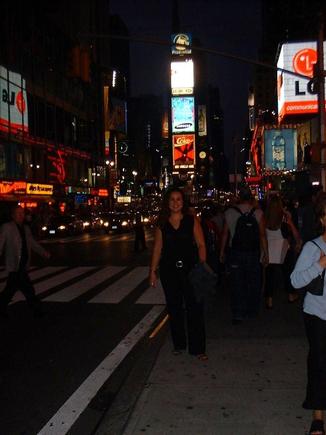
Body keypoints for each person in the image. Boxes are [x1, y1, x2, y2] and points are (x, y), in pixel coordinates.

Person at [149, 187, 207, 360]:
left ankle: (198, 349)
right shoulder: (162, 223)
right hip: (169, 271)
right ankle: (179, 344)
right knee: (174, 309)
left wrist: (201, 266)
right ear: (168, 202)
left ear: (183, 202)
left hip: (190, 270)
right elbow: (158, 248)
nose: (175, 203)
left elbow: (201, 245)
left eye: (179, 199)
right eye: (172, 199)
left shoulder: (191, 220)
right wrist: (152, 271)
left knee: (194, 309)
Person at [291, 197, 326, 435]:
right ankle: (318, 419)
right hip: (318, 314)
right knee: (319, 364)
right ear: (323, 219)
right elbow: (295, 281)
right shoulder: (313, 248)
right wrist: (320, 265)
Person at [219, 185, 268, 324]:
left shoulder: (229, 212)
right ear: (251, 197)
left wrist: (222, 252)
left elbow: (224, 234)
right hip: (253, 252)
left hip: (235, 252)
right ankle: (252, 311)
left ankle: (238, 313)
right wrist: (266, 254)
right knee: (253, 282)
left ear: (239, 197)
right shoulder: (258, 213)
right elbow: (263, 235)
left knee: (237, 283)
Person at [0, 205, 50, 318]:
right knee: (28, 290)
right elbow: (0, 243)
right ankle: (37, 311)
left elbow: (32, 243)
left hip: (23, 264)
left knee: (10, 290)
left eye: (22, 213)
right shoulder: (7, 227)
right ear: (12, 215)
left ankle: (2, 308)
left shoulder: (26, 228)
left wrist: (43, 252)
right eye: (18, 213)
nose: (21, 215)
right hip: (15, 264)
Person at [264, 195, 301, 309]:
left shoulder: (264, 218)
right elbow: (294, 234)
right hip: (283, 250)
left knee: (270, 275)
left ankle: (269, 299)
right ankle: (290, 295)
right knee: (287, 272)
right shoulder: (284, 218)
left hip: (269, 249)